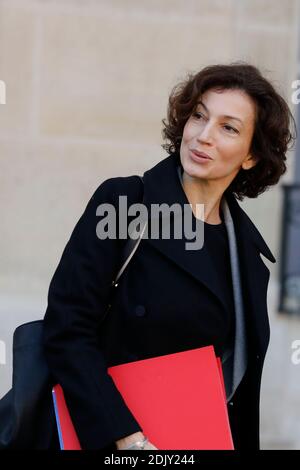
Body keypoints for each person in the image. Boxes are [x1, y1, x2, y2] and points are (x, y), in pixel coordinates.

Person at [43, 62, 296, 450]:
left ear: (250, 156)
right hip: (117, 440)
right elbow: (67, 329)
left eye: (228, 127)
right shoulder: (124, 204)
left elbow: (237, 388)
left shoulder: (245, 254)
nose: (203, 136)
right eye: (199, 116)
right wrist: (127, 439)